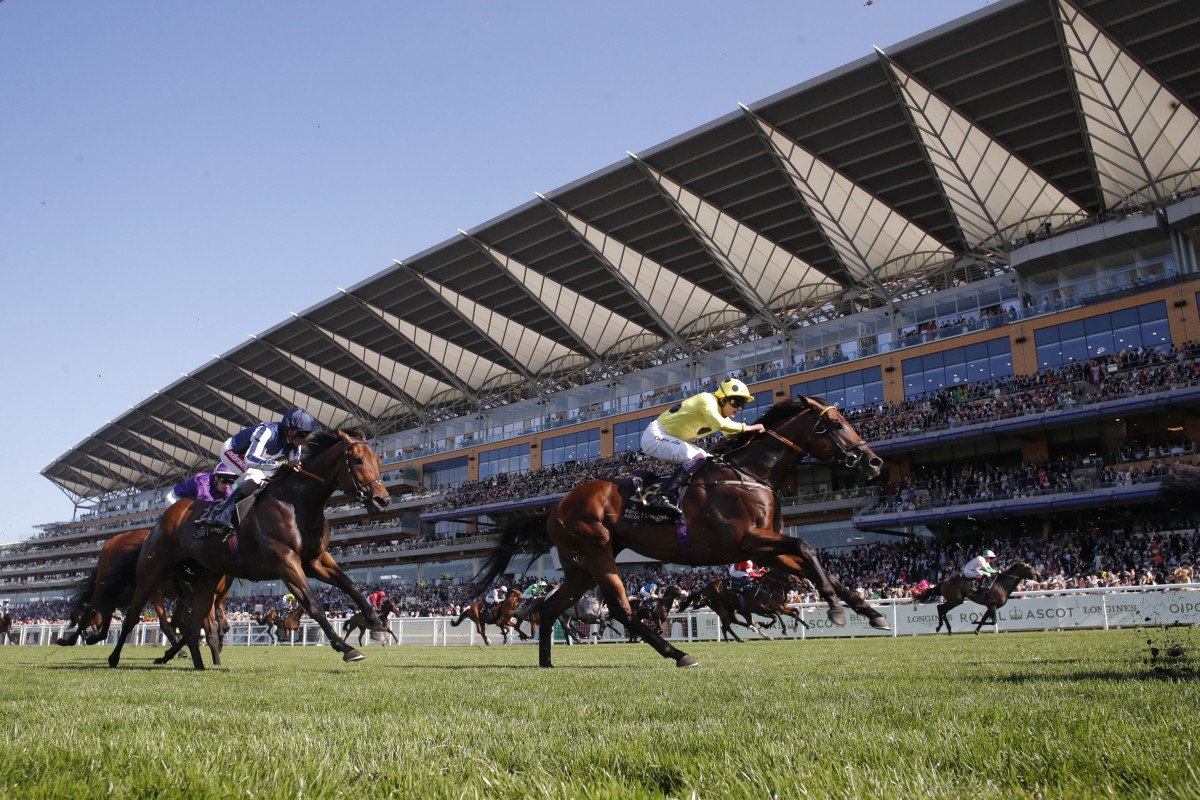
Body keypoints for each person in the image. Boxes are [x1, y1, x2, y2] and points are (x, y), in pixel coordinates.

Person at [639, 378, 766, 513]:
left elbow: (731, 436)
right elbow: (721, 425)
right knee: (699, 458)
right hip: (655, 436)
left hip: (668, 438)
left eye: (743, 404)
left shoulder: (722, 416)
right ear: (723, 399)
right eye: (736, 402)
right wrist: (749, 427)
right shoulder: (706, 399)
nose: (739, 408)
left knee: (711, 461)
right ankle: (662, 496)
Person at [194, 406, 321, 538]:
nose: (306, 438)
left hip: (259, 459)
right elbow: (250, 459)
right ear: (290, 431)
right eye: (303, 434)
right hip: (234, 452)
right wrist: (280, 463)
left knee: (273, 481)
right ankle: (221, 516)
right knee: (255, 478)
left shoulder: (294, 446)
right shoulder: (268, 431)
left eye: (308, 434)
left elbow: (291, 471)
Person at [167, 463, 237, 504]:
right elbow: (205, 498)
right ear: (216, 477)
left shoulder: (226, 487)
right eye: (224, 481)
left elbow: (231, 499)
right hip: (176, 498)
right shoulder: (203, 479)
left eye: (231, 482)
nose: (227, 485)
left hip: (191, 502)